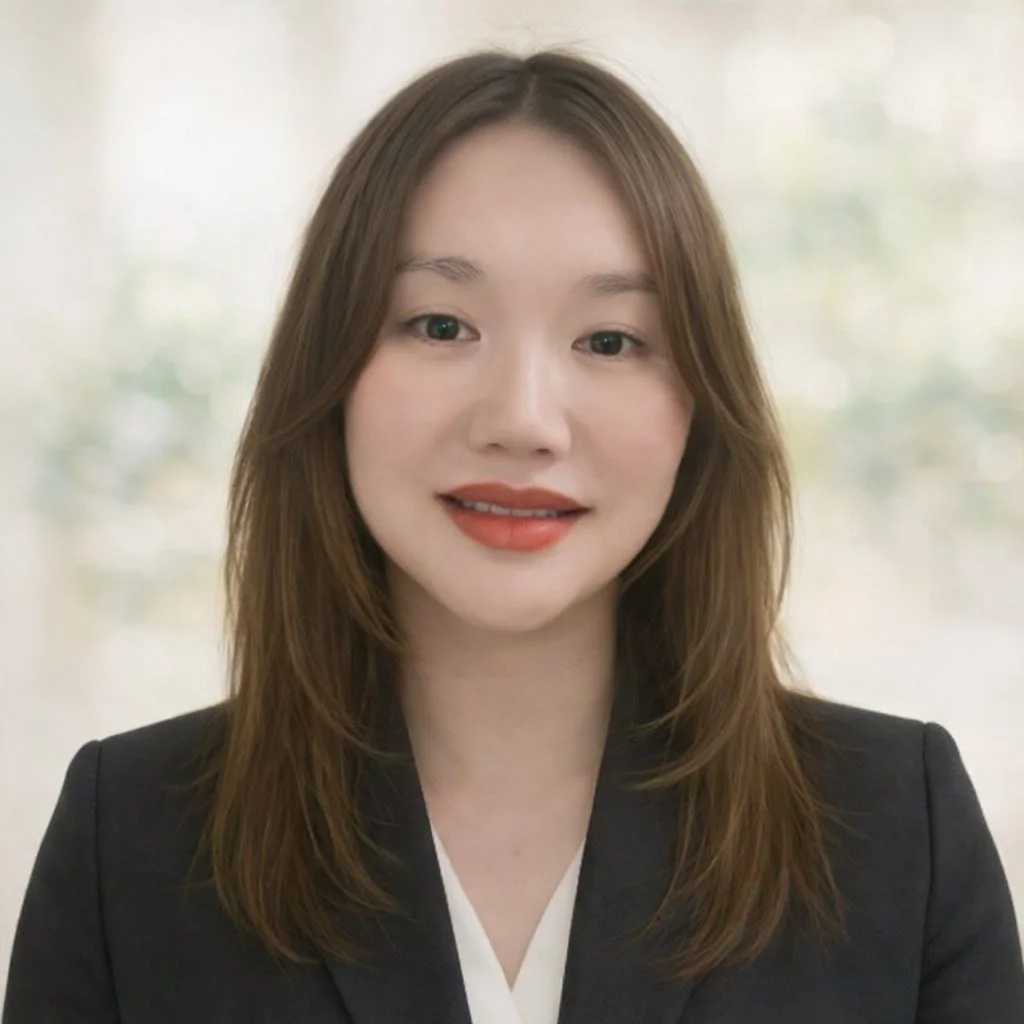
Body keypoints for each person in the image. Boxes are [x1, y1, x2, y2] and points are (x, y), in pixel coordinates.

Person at [4, 48, 1023, 1024]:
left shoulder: (897, 824)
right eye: (441, 325)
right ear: (330, 374)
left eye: (610, 340)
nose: (524, 420)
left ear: (699, 409)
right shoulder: (128, 837)